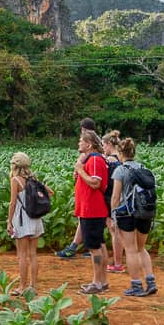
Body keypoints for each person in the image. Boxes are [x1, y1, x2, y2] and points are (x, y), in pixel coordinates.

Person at [111, 137, 158, 297]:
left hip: (127, 214)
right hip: (145, 213)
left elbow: (116, 197)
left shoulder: (120, 170)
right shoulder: (143, 168)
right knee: (141, 248)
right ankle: (150, 281)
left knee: (130, 250)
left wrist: (113, 215)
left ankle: (136, 284)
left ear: (120, 153)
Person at [7, 152, 53, 295]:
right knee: (33, 254)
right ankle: (33, 286)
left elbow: (13, 203)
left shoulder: (16, 180)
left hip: (22, 219)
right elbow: (50, 192)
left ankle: (22, 286)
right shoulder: (34, 179)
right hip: (35, 218)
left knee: (22, 255)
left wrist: (9, 221)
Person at [57, 117, 98, 259]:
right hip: (85, 186)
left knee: (89, 218)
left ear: (85, 129)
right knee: (86, 218)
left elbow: (92, 176)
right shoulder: (93, 144)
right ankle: (86, 246)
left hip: (90, 189)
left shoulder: (92, 144)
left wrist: (79, 170)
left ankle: (78, 247)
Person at [76, 129, 110, 294]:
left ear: (88, 144)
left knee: (94, 247)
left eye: (81, 141)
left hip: (92, 209)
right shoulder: (93, 159)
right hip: (91, 209)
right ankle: (102, 281)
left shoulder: (95, 160)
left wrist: (80, 169)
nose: (78, 144)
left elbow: (95, 183)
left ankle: (97, 282)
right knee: (100, 245)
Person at [102, 131, 126, 273]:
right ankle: (119, 261)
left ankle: (117, 263)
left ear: (109, 144)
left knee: (114, 230)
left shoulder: (110, 160)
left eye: (104, 145)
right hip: (122, 196)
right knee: (117, 230)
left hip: (111, 197)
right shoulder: (122, 158)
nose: (103, 148)